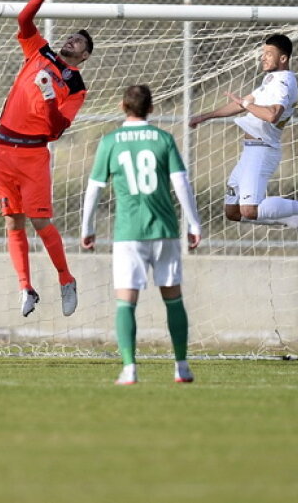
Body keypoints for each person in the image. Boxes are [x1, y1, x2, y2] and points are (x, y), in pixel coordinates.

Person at [80, 85, 202, 385]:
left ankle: (130, 368)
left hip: (129, 233)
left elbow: (94, 188)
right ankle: (181, 366)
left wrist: (88, 228)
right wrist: (194, 224)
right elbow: (181, 183)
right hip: (165, 230)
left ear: (123, 106)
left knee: (126, 301)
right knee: (173, 298)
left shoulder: (110, 141)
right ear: (151, 108)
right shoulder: (163, 138)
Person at [0, 0, 90, 317]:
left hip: (33, 154)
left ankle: (66, 279)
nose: (72, 40)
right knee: (12, 222)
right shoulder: (40, 49)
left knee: (39, 222)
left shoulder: (76, 86)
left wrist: (50, 97)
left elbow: (57, 129)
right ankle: (25, 287)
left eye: (79, 41)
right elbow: (24, 20)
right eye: (71, 36)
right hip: (3, 148)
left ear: (85, 56)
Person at [188, 33, 298, 247]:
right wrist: (205, 116)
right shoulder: (270, 80)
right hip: (250, 150)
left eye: (268, 54)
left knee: (250, 209)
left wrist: (246, 105)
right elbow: (241, 104)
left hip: (263, 149)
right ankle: (297, 222)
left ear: (283, 58)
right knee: (233, 212)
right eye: (262, 53)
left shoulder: (284, 82)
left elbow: (272, 115)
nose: (263, 58)